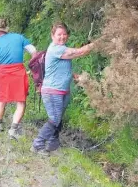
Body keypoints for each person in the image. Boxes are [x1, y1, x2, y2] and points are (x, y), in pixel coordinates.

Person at [31, 22, 94, 156]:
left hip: (62, 91)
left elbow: (58, 67)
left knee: (58, 118)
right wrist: (99, 43)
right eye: (59, 34)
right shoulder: (55, 49)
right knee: (54, 119)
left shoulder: (62, 48)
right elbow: (81, 51)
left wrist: (72, 75)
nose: (62, 37)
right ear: (52, 36)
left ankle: (53, 142)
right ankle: (38, 144)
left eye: (65, 34)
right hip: (52, 91)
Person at [0, 18, 37, 140]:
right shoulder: (19, 37)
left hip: (1, 74)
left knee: (2, 100)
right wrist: (33, 66)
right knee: (21, 102)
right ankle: (13, 130)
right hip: (18, 73)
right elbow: (33, 51)